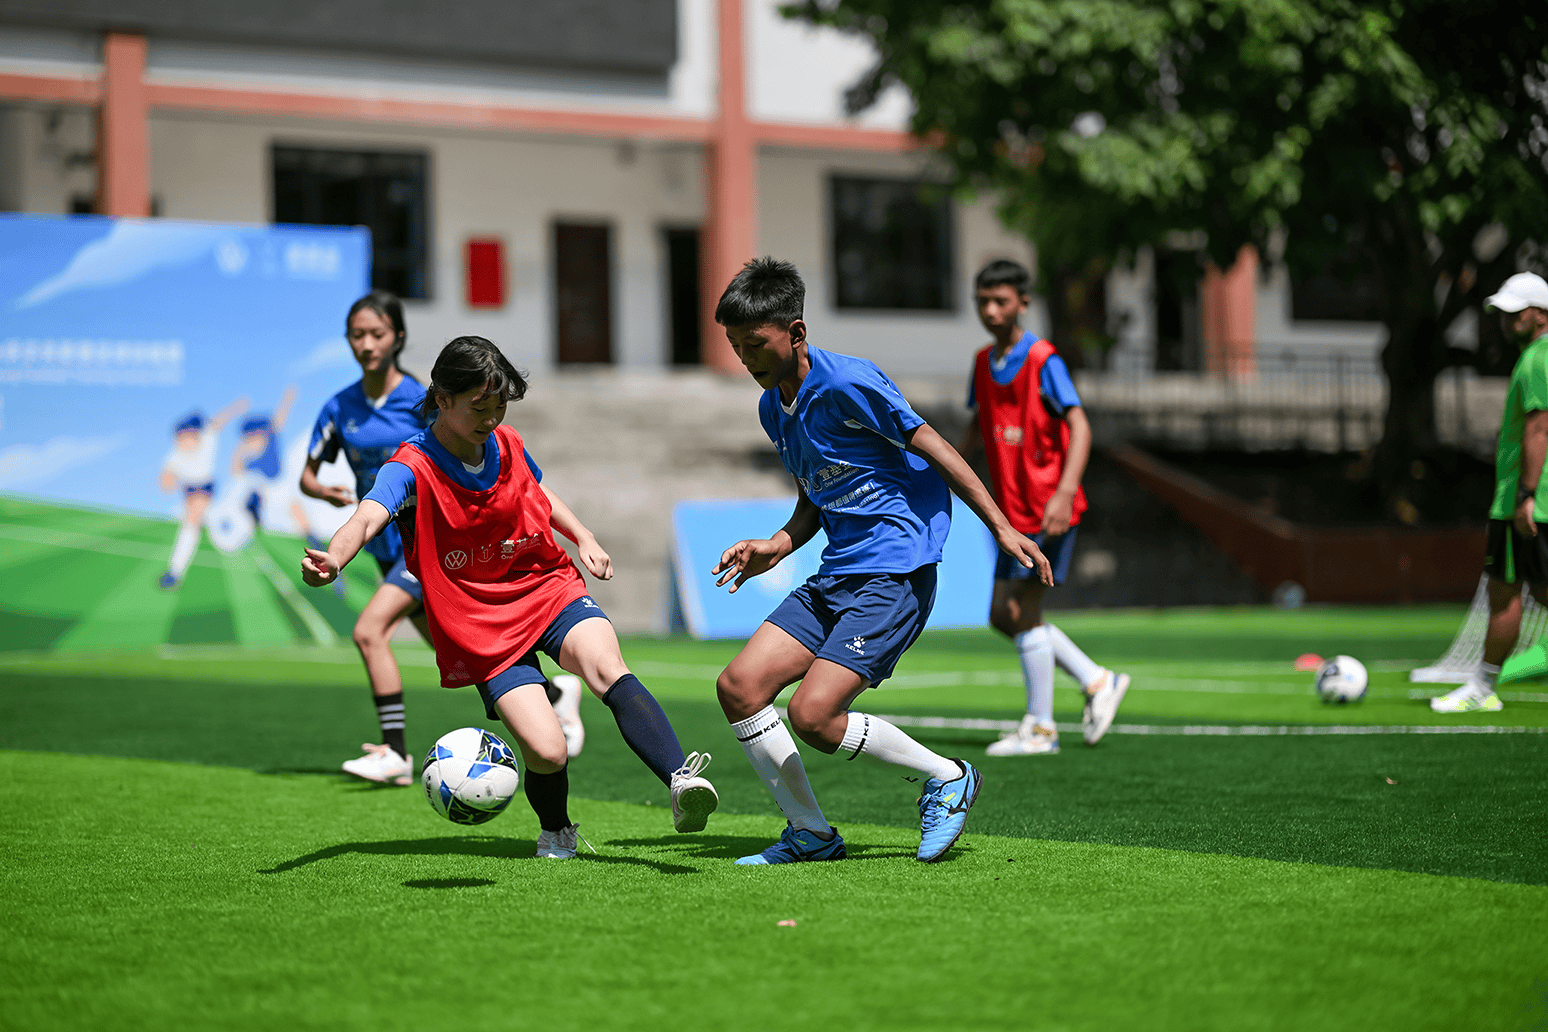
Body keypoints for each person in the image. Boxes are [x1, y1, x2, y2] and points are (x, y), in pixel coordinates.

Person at [301, 335, 717, 858]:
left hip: (545, 584)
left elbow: (536, 492)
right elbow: (367, 518)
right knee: (547, 750)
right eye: (479, 407)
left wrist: (583, 536)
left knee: (607, 667)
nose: (491, 418)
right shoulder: (410, 467)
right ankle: (557, 829)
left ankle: (680, 780)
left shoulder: (508, 442)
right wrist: (335, 559)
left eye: (499, 406)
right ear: (442, 399)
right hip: (480, 621)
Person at [710, 258, 1051, 866]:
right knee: (739, 687)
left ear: (796, 331)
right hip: (837, 573)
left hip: (895, 571)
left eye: (754, 343)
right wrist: (778, 544)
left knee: (813, 715)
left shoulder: (848, 383)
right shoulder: (772, 408)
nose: (745, 357)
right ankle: (811, 834)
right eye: (736, 346)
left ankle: (947, 776)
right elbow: (816, 494)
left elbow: (937, 446)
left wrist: (1001, 527)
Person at [959, 259, 1130, 755]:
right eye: (983, 301)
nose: (991, 311)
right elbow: (977, 426)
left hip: (1045, 508)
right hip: (1010, 514)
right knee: (1002, 614)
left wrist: (1064, 491)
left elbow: (1080, 425)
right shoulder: (982, 363)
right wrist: (945, 470)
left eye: (1001, 301)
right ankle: (1096, 679)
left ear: (1023, 303)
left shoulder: (1042, 359)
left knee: (1019, 608)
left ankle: (1041, 728)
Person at [300, 291, 434, 785]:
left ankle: (395, 754)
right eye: (358, 335)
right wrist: (325, 491)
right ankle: (554, 695)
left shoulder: (420, 401)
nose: (367, 344)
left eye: (377, 334)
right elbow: (307, 476)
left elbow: (450, 460)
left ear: (397, 337)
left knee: (368, 631)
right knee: (453, 654)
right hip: (379, 547)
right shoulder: (340, 406)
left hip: (424, 543)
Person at [1436, 271, 1548, 710]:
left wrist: (1526, 495)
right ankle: (1482, 688)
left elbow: (1539, 429)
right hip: (1521, 501)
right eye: (1502, 313)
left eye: (1515, 311)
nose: (1505, 320)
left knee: (1517, 593)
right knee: (1509, 591)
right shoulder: (1533, 357)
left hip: (1531, 504)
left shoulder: (1539, 358)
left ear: (1540, 314)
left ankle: (1482, 689)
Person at [157, 396, 248, 589]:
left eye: (187, 438)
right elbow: (165, 479)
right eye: (180, 439)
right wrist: (168, 481)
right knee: (192, 525)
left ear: (196, 435)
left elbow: (220, 419)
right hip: (188, 490)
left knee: (192, 523)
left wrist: (238, 406)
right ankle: (176, 570)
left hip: (205, 487)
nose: (183, 443)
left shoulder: (208, 437)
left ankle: (175, 572)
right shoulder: (174, 455)